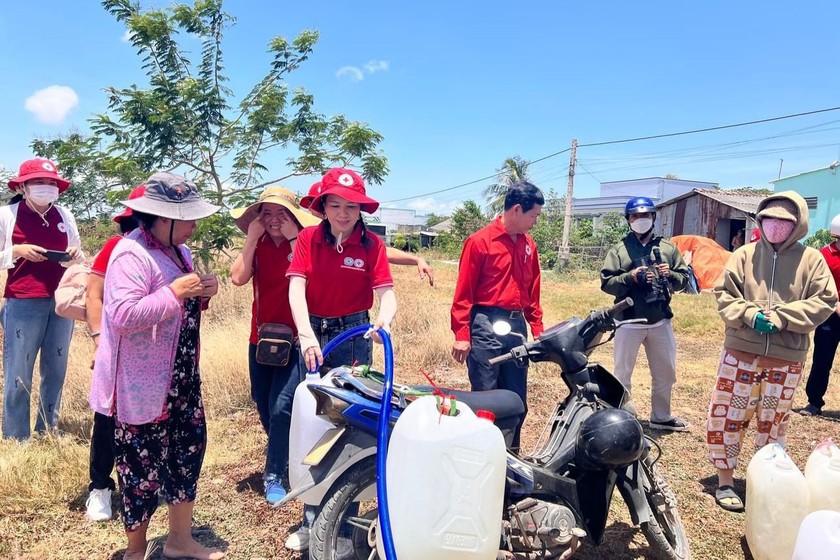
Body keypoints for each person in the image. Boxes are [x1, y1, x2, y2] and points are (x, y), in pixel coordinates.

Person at [89, 173, 224, 560]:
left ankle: (179, 540)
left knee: (187, 451)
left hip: (180, 377)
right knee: (141, 466)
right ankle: (135, 550)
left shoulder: (179, 252)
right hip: (142, 384)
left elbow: (177, 310)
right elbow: (123, 315)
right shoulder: (131, 253)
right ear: (161, 219)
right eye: (188, 219)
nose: (194, 226)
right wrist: (175, 291)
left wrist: (201, 294)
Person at [285, 167, 397, 552]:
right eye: (336, 204)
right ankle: (311, 520)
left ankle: (348, 522)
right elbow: (296, 289)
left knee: (357, 428)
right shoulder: (306, 239)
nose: (344, 213)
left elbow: (387, 294)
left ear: (361, 209)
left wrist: (382, 320)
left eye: (351, 206)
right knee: (316, 426)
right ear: (324, 206)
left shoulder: (372, 247)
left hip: (354, 337)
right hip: (316, 337)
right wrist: (305, 335)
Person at [707, 191, 837, 512]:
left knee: (773, 421)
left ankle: (764, 484)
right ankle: (725, 480)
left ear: (798, 225)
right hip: (740, 352)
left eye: (784, 221)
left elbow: (825, 301)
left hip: (787, 357)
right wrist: (750, 315)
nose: (775, 226)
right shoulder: (744, 255)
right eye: (769, 219)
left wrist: (782, 317)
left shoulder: (812, 260)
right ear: (760, 220)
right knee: (729, 417)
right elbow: (724, 294)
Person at [229, 186, 320, 505]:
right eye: (267, 213)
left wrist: (296, 239)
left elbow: (313, 278)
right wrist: (251, 238)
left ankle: (274, 474)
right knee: (262, 402)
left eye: (281, 213)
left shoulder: (307, 244)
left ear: (294, 217)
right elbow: (238, 278)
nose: (273, 219)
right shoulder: (260, 244)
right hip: (262, 339)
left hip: (297, 340)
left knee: (282, 406)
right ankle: (285, 453)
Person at [450, 181, 545, 450]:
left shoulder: (528, 245)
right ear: (517, 209)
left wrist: (537, 329)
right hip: (485, 324)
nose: (535, 222)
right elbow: (464, 292)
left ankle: (511, 458)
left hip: (516, 327)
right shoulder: (480, 242)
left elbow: (532, 289)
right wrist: (461, 334)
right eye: (533, 216)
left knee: (517, 400)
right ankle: (481, 455)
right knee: (486, 399)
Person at [1, 157, 84, 440]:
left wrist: (73, 256)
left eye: (51, 183)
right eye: (38, 182)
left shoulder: (64, 215)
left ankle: (48, 429)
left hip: (61, 301)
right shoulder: (7, 215)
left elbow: (78, 255)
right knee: (18, 372)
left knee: (56, 368)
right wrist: (17, 251)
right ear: (23, 186)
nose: (45, 187)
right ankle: (15, 437)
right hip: (23, 301)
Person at [600, 196, 690, 432]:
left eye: (646, 215)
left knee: (665, 371)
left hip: (660, 319)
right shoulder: (619, 250)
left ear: (653, 217)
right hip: (629, 320)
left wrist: (669, 275)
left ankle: (661, 416)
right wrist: (631, 277)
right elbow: (607, 283)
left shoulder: (668, 248)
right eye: (635, 216)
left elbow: (684, 281)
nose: (641, 220)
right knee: (622, 372)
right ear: (628, 219)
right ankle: (621, 415)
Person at [84, 184, 146, 522]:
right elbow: (94, 295)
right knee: (107, 417)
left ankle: (141, 484)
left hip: (151, 358)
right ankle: (100, 488)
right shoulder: (116, 247)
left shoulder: (175, 250)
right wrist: (99, 340)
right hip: (117, 349)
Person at [301, 180, 435, 286]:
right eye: (334, 204)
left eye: (349, 205)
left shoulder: (349, 232)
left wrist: (416, 259)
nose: (340, 211)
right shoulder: (305, 233)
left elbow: (381, 251)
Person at [798, 213, 840, 417]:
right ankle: (814, 402)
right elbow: (815, 286)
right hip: (830, 316)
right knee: (822, 360)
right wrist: (834, 305)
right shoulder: (824, 255)